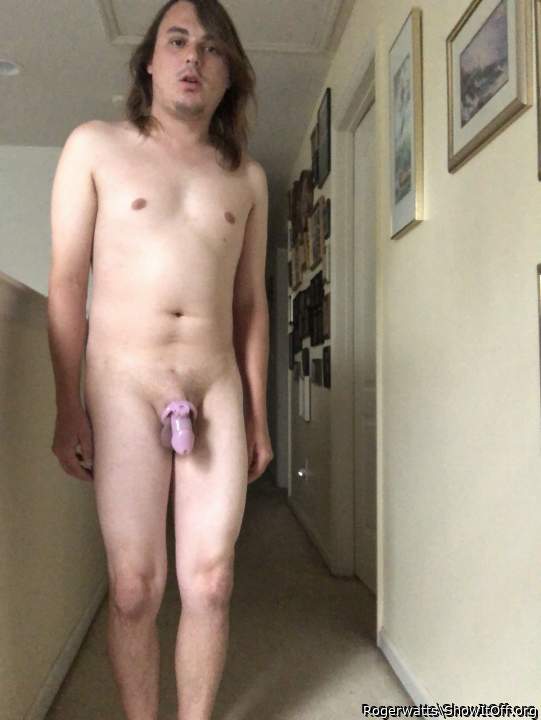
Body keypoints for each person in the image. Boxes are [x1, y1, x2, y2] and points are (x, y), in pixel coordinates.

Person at [47, 0, 273, 717]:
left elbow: (250, 306)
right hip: (122, 383)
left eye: (211, 48)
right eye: (177, 41)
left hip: (215, 383)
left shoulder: (247, 178)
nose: (193, 58)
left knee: (210, 581)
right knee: (134, 587)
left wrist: (259, 416)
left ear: (228, 73)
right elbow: (67, 282)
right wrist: (68, 404)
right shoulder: (94, 147)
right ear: (149, 60)